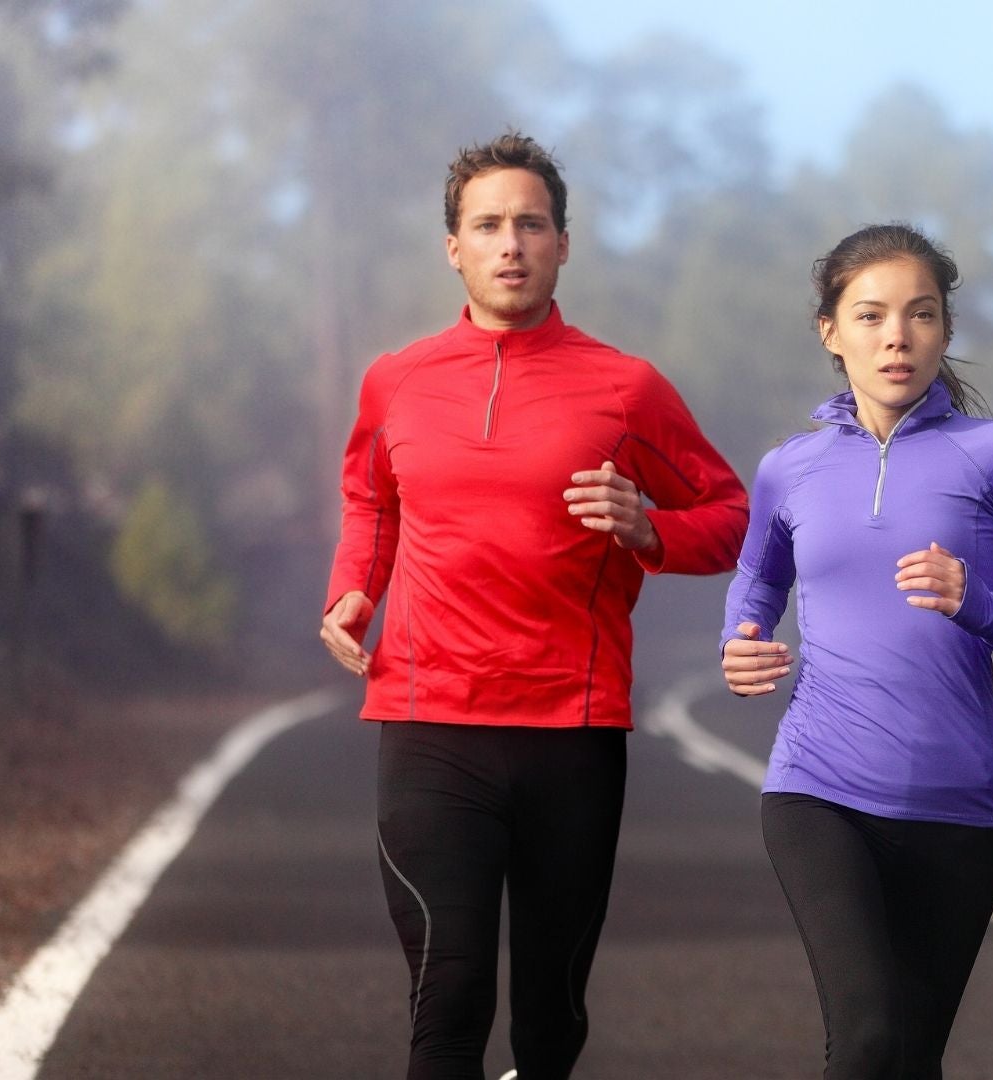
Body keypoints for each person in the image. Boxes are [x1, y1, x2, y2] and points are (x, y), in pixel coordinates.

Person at [320, 131, 748, 1080]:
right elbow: (371, 499)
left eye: (530, 223)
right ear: (454, 248)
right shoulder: (397, 380)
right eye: (487, 225)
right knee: (450, 1002)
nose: (510, 242)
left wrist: (649, 531)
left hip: (571, 731)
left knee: (550, 1023)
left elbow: (731, 515)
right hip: (430, 722)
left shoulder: (625, 388)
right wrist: (356, 587)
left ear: (562, 244)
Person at [719, 223, 993, 1078]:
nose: (897, 337)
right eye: (872, 315)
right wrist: (741, 639)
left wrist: (979, 604)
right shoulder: (791, 468)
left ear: (945, 332)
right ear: (831, 331)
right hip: (821, 791)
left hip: (961, 808)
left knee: (911, 1060)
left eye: (920, 315)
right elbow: (758, 581)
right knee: (869, 1039)